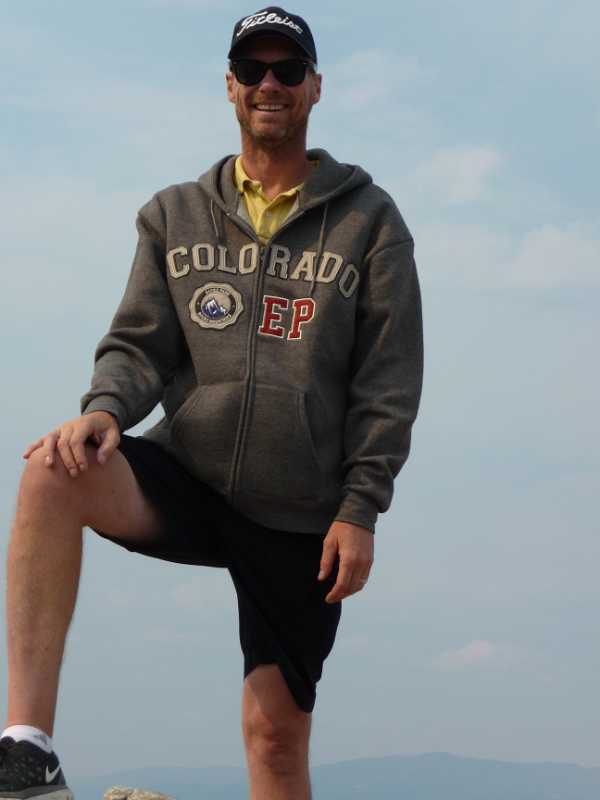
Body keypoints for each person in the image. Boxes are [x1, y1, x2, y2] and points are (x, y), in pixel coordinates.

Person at [0, 6, 423, 800]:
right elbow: (141, 345)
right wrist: (104, 409)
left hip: (301, 511)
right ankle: (26, 751)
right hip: (190, 474)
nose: (270, 84)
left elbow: (388, 381)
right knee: (52, 471)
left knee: (275, 739)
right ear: (229, 86)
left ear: (315, 87)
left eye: (287, 69)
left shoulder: (371, 222)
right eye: (253, 69)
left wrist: (361, 508)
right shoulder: (174, 215)